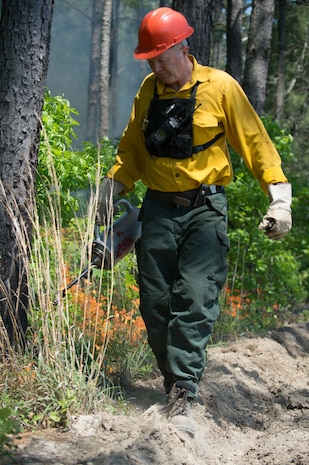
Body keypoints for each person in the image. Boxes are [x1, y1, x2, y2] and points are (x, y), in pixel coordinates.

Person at [96, 7, 292, 437]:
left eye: (161, 57)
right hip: (158, 209)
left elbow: (255, 143)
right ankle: (173, 381)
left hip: (205, 209)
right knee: (155, 302)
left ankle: (184, 388)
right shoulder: (148, 91)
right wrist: (112, 188)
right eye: (149, 59)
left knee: (195, 297)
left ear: (183, 47)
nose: (155, 65)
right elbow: (132, 150)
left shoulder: (220, 87)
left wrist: (280, 198)